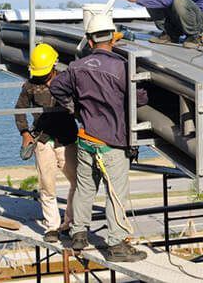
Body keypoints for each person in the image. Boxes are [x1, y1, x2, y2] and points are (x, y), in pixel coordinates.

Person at [50, 14, 148, 262]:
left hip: (85, 138)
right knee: (115, 192)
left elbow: (56, 88)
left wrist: (74, 108)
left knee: (85, 187)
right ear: (112, 38)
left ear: (89, 41)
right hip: (112, 142)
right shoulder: (121, 67)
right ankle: (116, 245)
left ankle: (79, 234)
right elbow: (140, 99)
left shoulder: (76, 67)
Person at [14, 43, 79, 242]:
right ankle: (51, 227)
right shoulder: (30, 85)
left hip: (66, 138)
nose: (41, 76)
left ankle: (70, 223)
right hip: (42, 139)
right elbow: (19, 110)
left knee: (78, 182)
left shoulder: (67, 80)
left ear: (53, 66)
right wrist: (25, 133)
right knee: (47, 185)